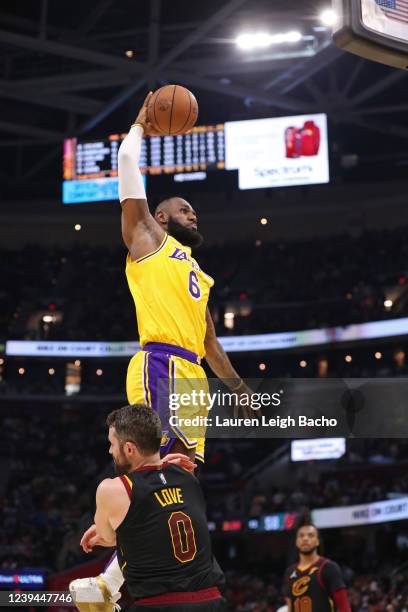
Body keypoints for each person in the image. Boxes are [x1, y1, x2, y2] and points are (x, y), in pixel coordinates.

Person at [118, 91, 251, 464]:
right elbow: (127, 160)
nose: (193, 215)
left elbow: (210, 343)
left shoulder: (199, 275)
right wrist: (141, 123)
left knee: (183, 477)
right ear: (161, 217)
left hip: (194, 375)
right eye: (184, 209)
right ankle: (115, 520)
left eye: (194, 212)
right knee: (152, 472)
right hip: (160, 363)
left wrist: (239, 389)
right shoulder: (148, 237)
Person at [70, 404, 225, 612]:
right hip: (212, 602)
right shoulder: (187, 476)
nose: (110, 451)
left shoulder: (112, 488)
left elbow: (109, 538)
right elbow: (159, 515)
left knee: (82, 593)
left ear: (129, 448)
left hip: (159, 605)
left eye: (112, 444)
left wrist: (107, 530)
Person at [284, 517, 351, 612]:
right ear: (296, 541)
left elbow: (345, 608)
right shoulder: (289, 572)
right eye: (301, 536)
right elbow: (290, 608)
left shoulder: (328, 567)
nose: (305, 539)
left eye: (310, 535)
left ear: (317, 541)